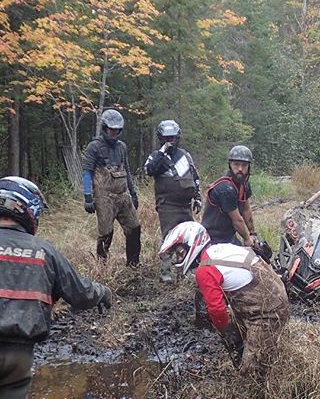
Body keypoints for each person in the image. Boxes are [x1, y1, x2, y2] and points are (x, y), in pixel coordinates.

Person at [0, 177, 112, 399]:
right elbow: (80, 293)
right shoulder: (44, 252)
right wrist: (103, 293)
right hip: (18, 359)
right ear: (29, 210)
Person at [160, 221, 289, 379]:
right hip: (271, 295)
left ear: (192, 244)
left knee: (251, 373)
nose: (178, 257)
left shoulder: (205, 270)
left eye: (180, 252)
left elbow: (216, 310)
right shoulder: (219, 249)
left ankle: (258, 396)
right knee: (242, 335)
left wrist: (227, 333)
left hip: (268, 311)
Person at [144, 120, 202, 283]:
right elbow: (149, 170)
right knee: (169, 237)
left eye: (174, 138)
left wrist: (197, 198)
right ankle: (165, 272)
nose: (171, 141)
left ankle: (187, 268)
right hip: (167, 205)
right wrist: (163, 152)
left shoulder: (185, 155)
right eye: (167, 138)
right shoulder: (156, 156)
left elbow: (195, 176)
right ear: (161, 138)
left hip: (185, 205)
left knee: (189, 236)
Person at [82, 108, 141, 266]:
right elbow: (87, 172)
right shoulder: (93, 147)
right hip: (104, 197)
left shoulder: (122, 147)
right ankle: (102, 265)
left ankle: (133, 264)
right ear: (104, 128)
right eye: (111, 130)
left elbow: (127, 171)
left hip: (123, 195)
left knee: (134, 228)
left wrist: (133, 193)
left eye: (117, 131)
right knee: (106, 232)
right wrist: (88, 196)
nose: (114, 133)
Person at [201, 145, 258, 247]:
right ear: (230, 165)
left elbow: (246, 210)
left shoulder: (244, 184)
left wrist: (252, 233)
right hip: (213, 239)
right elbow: (237, 220)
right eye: (236, 164)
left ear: (249, 166)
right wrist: (247, 239)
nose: (240, 169)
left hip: (229, 237)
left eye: (244, 165)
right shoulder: (225, 189)